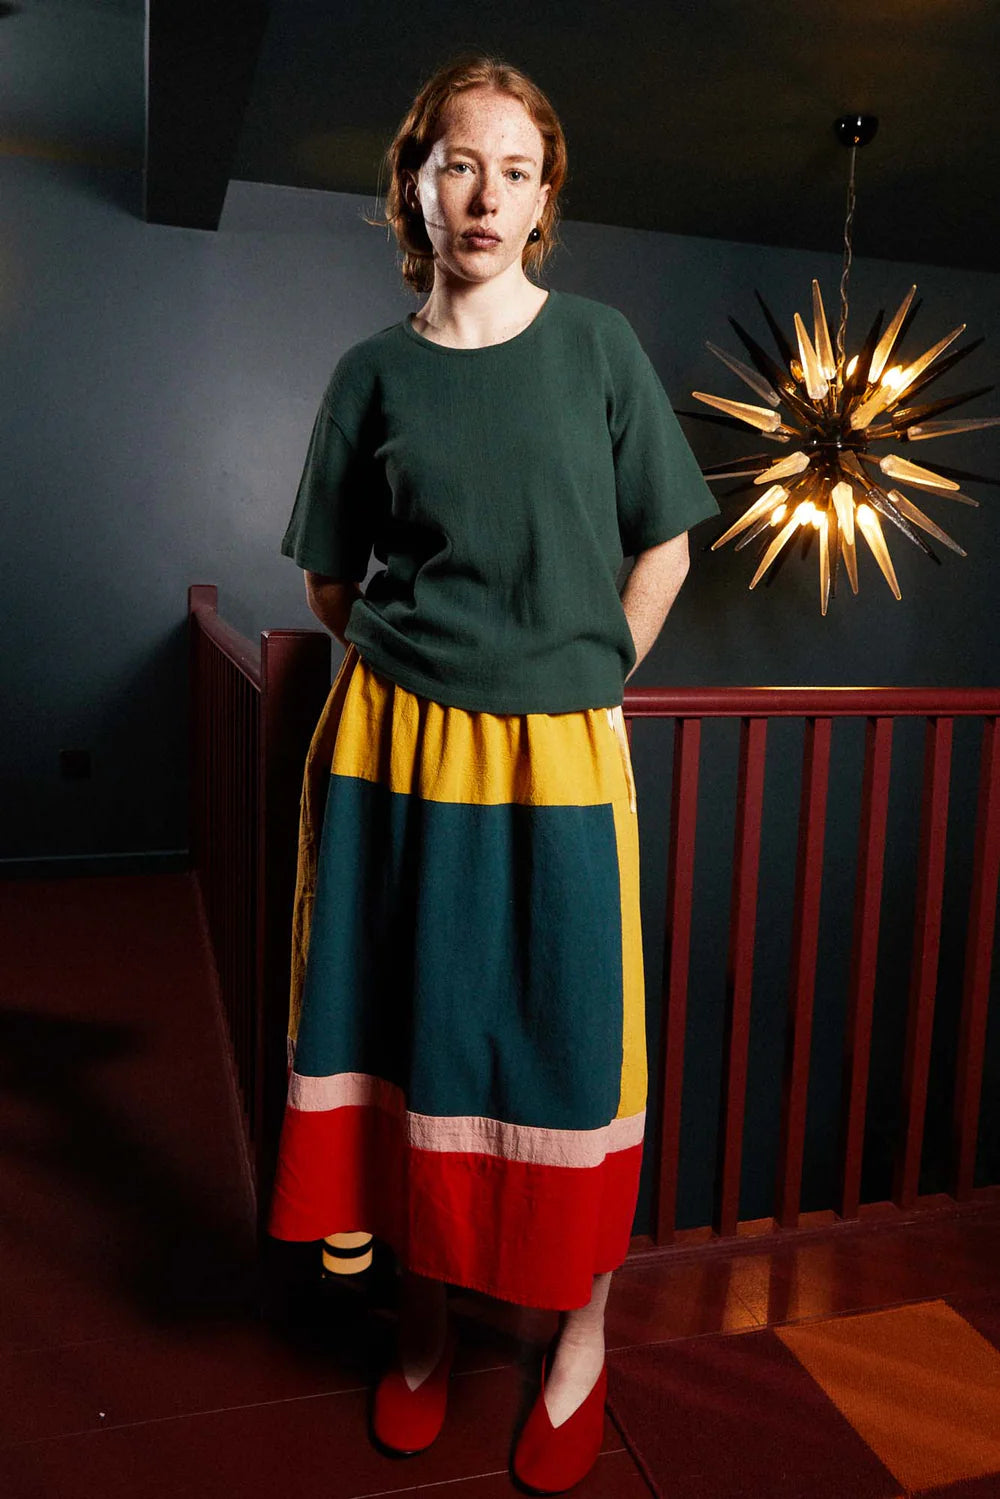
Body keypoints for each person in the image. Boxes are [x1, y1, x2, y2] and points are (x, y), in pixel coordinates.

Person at [267, 52, 719, 1493]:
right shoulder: (373, 372)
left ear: (544, 200)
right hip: (397, 747)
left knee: (572, 1040)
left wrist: (598, 672)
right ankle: (421, 1327)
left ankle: (580, 1332)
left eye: (516, 169)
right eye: (460, 160)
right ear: (416, 179)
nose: (486, 191)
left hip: (561, 750)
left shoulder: (594, 348)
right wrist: (420, 673)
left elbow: (667, 541)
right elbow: (336, 581)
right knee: (418, 1034)